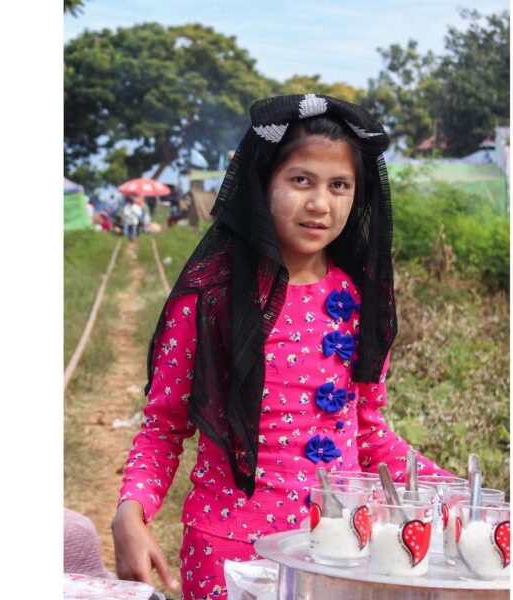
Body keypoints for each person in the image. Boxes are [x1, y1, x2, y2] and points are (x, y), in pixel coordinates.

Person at [111, 94, 453, 600]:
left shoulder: (357, 300)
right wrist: (130, 513)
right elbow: (164, 426)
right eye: (301, 181)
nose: (321, 203)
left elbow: (369, 431)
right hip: (228, 553)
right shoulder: (211, 297)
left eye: (340, 185)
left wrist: (456, 491)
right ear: (261, 184)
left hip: (340, 553)